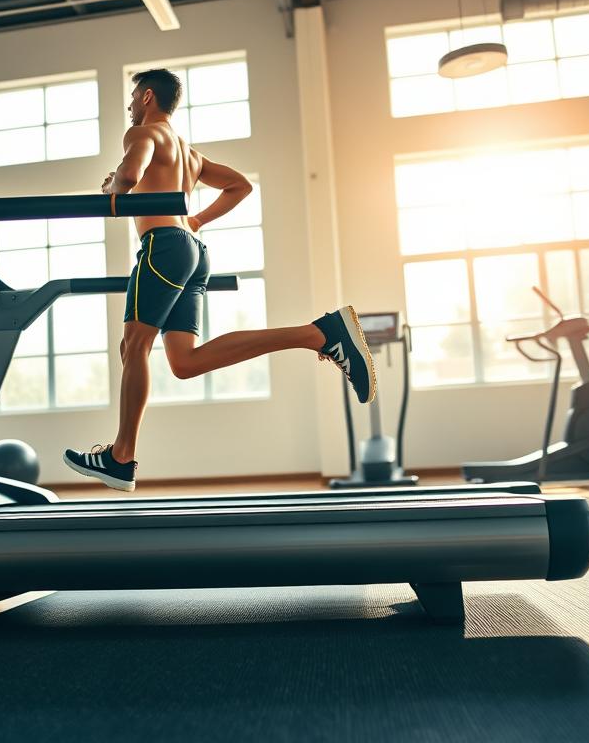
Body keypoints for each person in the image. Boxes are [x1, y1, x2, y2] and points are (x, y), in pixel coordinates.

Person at [64, 69, 375, 491]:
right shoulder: (190, 155)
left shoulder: (140, 136)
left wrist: (112, 188)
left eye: (134, 96)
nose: (131, 104)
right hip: (192, 251)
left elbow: (130, 177)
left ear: (148, 97)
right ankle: (317, 334)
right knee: (184, 363)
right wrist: (196, 220)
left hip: (163, 248)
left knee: (132, 345)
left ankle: (121, 457)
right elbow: (239, 185)